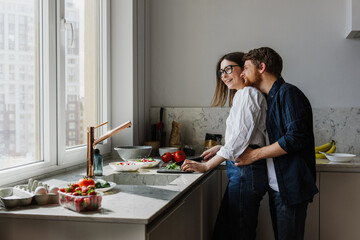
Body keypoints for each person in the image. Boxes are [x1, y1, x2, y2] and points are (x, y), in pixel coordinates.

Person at [181, 52, 268, 240]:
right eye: (221, 72)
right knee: (231, 230)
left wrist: (206, 166)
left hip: (247, 170)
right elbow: (242, 138)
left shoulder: (249, 94)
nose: (224, 76)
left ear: (243, 69)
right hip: (243, 170)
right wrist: (221, 147)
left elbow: (239, 141)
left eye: (229, 69)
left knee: (239, 232)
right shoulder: (241, 96)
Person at [235, 47, 319, 240]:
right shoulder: (269, 99)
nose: (242, 73)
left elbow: (295, 137)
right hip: (278, 186)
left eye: (246, 68)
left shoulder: (288, 93)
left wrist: (254, 155)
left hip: (290, 186)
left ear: (262, 67)